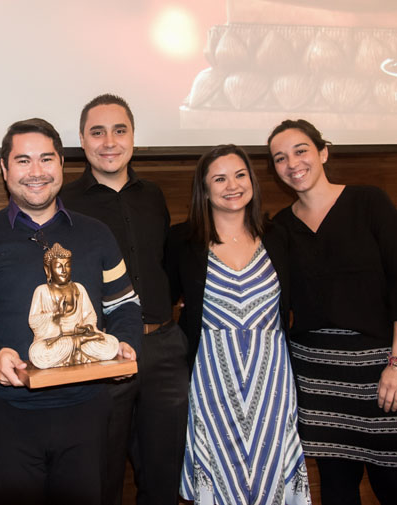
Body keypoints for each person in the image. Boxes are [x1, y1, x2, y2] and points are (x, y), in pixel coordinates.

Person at [0, 118, 142, 505]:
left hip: (86, 408)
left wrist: (124, 342)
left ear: (62, 164)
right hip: (8, 411)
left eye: (46, 159)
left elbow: (124, 303)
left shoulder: (96, 234)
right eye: (23, 161)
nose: (36, 171)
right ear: (4, 168)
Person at [59, 93, 189, 505]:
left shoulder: (153, 195)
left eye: (119, 130)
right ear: (82, 140)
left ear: (133, 136)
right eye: (97, 132)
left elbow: (164, 261)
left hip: (163, 348)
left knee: (164, 475)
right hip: (100, 353)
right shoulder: (64, 203)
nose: (109, 142)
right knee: (101, 475)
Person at [166, 144, 310, 503]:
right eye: (220, 179)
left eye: (240, 175)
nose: (232, 185)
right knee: (219, 469)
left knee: (271, 466)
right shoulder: (182, 240)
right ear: (204, 189)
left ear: (252, 181)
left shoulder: (278, 236)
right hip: (211, 377)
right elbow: (164, 299)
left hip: (272, 379)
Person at [268, 119, 397, 504]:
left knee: (391, 482)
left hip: (381, 372)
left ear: (323, 152)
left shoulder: (368, 202)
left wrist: (396, 363)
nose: (292, 163)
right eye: (280, 158)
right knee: (337, 488)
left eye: (301, 151)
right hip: (317, 376)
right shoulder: (279, 226)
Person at [27, 242, 120, 369]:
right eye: (58, 266)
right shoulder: (42, 291)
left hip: (81, 336)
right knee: (38, 354)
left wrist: (87, 327)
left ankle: (77, 347)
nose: (64, 270)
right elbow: (34, 321)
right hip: (57, 341)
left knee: (111, 344)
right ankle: (78, 348)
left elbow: (89, 315)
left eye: (67, 265)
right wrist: (56, 314)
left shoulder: (78, 288)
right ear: (48, 270)